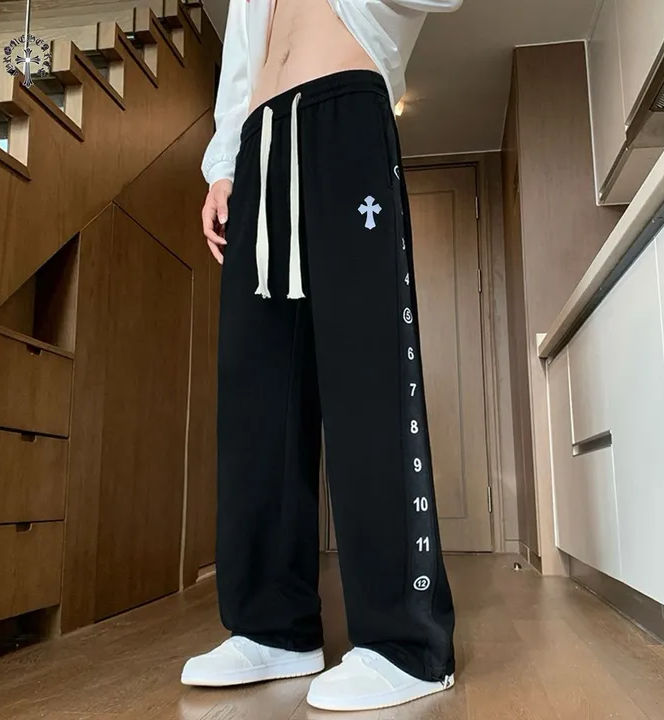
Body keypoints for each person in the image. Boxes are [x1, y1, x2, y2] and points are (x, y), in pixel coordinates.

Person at [181, 0, 464, 712]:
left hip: (344, 109)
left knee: (365, 374)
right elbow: (242, 55)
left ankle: (406, 642)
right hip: (258, 140)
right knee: (256, 391)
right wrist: (224, 164)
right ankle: (273, 627)